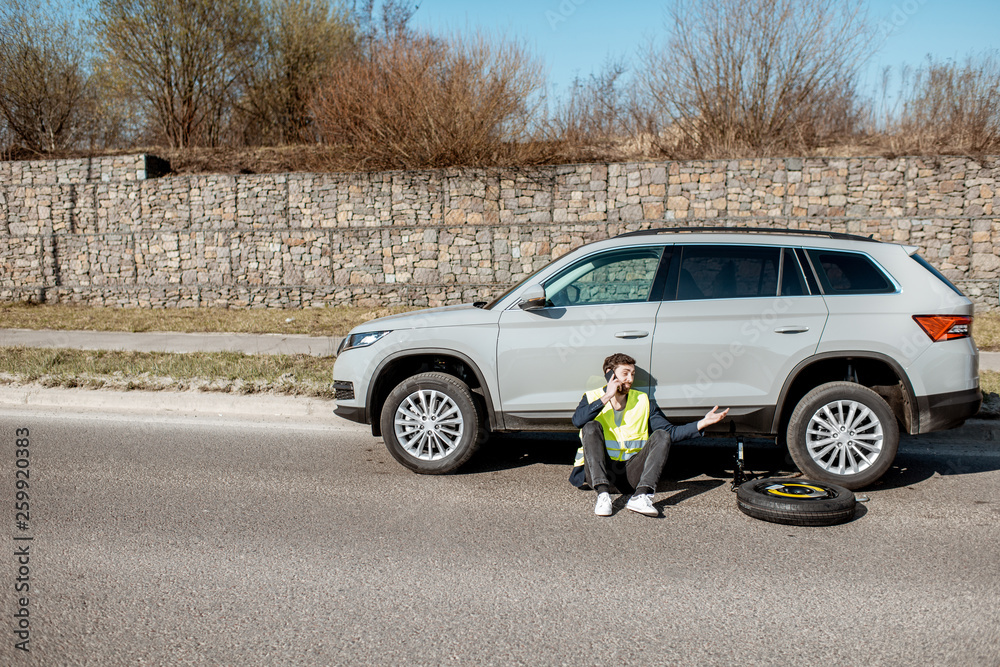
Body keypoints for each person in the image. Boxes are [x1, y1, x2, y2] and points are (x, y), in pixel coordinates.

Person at [570, 352, 729, 517]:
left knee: (661, 435)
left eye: (632, 374)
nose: (630, 379)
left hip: (631, 475)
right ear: (610, 374)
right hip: (600, 475)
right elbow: (578, 421)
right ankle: (603, 496)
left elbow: (670, 433)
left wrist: (702, 423)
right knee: (590, 426)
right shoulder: (592, 397)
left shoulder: (642, 400)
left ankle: (641, 496)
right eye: (625, 373)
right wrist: (607, 396)